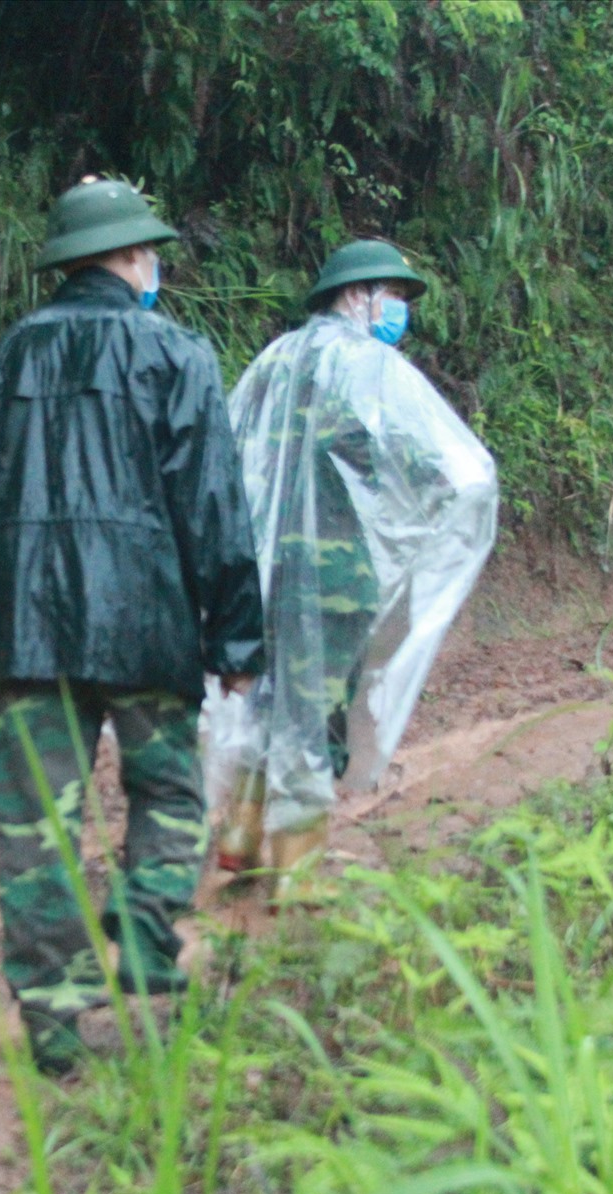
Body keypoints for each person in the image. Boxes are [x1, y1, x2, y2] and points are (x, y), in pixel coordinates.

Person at [0, 177, 265, 1074]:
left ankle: (52, 1028)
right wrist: (237, 637)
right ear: (132, 258)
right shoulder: (176, 354)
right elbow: (213, 504)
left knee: (38, 829)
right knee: (168, 793)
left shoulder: (7, 355)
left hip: (26, 628)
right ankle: (147, 936)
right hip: (144, 625)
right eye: (149, 251)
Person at [209, 239, 497, 901]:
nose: (399, 311)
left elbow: (233, 455)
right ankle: (298, 872)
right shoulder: (373, 368)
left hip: (263, 575)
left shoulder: (273, 361)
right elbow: (454, 470)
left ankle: (239, 840)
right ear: (357, 295)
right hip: (332, 579)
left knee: (265, 700)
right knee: (311, 715)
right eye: (393, 296)